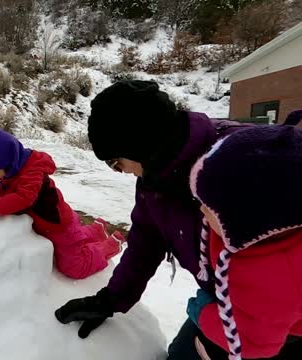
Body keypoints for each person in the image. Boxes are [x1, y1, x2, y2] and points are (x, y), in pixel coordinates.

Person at [54, 80, 249, 356]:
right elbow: (146, 241)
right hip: (222, 303)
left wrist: (248, 331)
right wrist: (110, 300)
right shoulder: (154, 178)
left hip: (279, 316)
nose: (117, 170)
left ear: (138, 145)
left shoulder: (238, 160)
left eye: (115, 161)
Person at [187, 126, 302, 359]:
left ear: (246, 220)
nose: (200, 209)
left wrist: (204, 314)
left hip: (285, 333)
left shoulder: (276, 277)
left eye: (209, 206)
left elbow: (253, 345)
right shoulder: (258, 236)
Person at [0, 128, 124, 280]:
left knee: (74, 266)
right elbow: (5, 189)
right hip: (51, 226)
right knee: (76, 239)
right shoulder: (13, 171)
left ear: (9, 161)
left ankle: (110, 245)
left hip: (60, 227)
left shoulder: (32, 172)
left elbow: (24, 197)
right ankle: (97, 230)